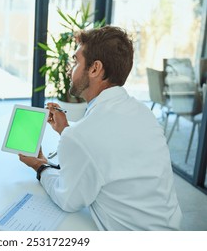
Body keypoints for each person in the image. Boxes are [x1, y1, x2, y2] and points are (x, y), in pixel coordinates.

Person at [19, 26, 182, 230]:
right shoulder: (143, 113)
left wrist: (39, 165)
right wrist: (66, 130)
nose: (70, 70)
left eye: (76, 62)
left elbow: (68, 199)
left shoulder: (84, 135)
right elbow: (107, 149)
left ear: (95, 68)